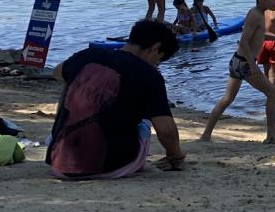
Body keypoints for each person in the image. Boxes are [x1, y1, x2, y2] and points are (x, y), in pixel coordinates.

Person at [48, 20, 185, 178]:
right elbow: (166, 130)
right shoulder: (149, 75)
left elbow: (57, 73)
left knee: (71, 82)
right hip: (111, 167)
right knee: (145, 118)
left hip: (57, 163)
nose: (157, 65)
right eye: (159, 60)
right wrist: (175, 155)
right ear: (155, 48)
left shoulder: (88, 55)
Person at [199, 0, 275, 144]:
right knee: (273, 94)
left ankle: (205, 135)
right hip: (246, 63)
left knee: (227, 99)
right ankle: (272, 135)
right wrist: (253, 66)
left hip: (237, 61)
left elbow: (259, 37)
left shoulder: (259, 14)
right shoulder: (255, 15)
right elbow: (243, 41)